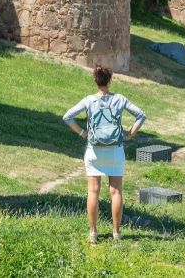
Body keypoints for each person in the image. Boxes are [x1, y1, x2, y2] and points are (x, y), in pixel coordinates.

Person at [62, 65, 146, 244]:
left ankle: (93, 233)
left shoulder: (89, 100)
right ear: (110, 80)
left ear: (95, 80)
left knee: (93, 191)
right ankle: (116, 233)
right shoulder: (120, 99)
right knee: (116, 192)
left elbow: (67, 117)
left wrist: (83, 133)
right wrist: (130, 134)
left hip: (94, 151)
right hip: (115, 151)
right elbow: (141, 115)